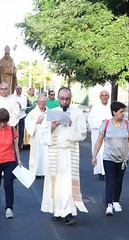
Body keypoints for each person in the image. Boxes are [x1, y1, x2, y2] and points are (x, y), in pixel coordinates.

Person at [41, 87, 87, 225]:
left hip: (69, 153)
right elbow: (43, 135)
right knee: (55, 184)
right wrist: (52, 128)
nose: (64, 101)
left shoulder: (78, 113)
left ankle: (68, 214)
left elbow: (83, 133)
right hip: (55, 153)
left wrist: (71, 124)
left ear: (70, 99)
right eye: (62, 98)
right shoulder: (51, 113)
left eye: (67, 99)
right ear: (58, 98)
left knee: (67, 183)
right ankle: (56, 210)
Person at [92, 101, 129, 216]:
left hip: (123, 158)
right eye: (121, 112)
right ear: (114, 112)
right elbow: (99, 141)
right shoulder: (106, 124)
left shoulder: (127, 124)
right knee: (110, 181)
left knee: (119, 181)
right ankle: (109, 205)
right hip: (108, 158)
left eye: (124, 112)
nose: (123, 114)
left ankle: (116, 201)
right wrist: (94, 156)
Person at [88, 90, 112, 181]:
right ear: (100, 97)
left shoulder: (111, 107)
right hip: (98, 133)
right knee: (99, 152)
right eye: (103, 95)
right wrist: (100, 123)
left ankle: (108, 171)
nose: (104, 97)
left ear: (108, 96)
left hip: (110, 134)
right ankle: (100, 172)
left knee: (108, 152)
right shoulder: (95, 108)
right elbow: (90, 120)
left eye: (106, 95)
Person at [25, 94, 49, 177]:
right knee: (35, 154)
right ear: (37, 102)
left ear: (46, 102)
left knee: (45, 154)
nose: (42, 103)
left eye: (44, 101)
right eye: (40, 101)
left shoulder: (49, 112)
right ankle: (34, 172)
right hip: (36, 136)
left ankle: (45, 172)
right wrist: (36, 121)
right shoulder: (32, 112)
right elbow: (27, 124)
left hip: (46, 137)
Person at [13, 85, 27, 151]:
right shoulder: (12, 97)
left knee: (21, 132)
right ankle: (13, 146)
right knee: (13, 131)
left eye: (20, 88)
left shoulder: (24, 97)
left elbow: (24, 107)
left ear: (21, 89)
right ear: (15, 89)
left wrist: (18, 105)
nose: (18, 90)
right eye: (17, 88)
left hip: (22, 116)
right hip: (14, 116)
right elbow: (12, 106)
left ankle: (19, 147)